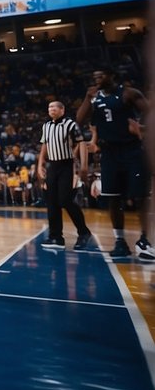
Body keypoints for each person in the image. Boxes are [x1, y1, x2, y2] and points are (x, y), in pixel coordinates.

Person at [76, 65, 151, 260]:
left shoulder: (128, 94)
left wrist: (141, 128)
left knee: (141, 197)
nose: (97, 79)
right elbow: (79, 120)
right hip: (109, 153)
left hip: (132, 150)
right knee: (113, 198)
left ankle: (145, 241)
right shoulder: (94, 98)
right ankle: (120, 242)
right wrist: (87, 98)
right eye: (95, 76)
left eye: (100, 75)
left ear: (112, 76)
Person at [36, 100, 93, 250]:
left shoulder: (71, 124)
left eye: (54, 107)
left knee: (65, 200)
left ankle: (84, 232)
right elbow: (45, 145)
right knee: (51, 201)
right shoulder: (46, 125)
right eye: (49, 107)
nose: (51, 109)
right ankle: (56, 237)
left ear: (62, 110)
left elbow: (81, 143)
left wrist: (84, 166)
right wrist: (40, 163)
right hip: (52, 165)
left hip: (66, 164)